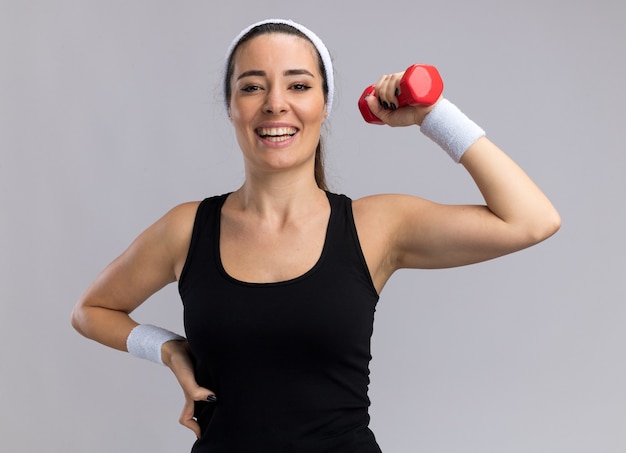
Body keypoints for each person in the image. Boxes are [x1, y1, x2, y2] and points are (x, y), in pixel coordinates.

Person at [71, 18, 561, 453]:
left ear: (325, 104)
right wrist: (168, 348)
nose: (275, 104)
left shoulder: (376, 226)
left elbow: (531, 220)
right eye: (252, 87)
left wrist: (433, 116)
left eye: (299, 85)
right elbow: (90, 311)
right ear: (231, 107)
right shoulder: (187, 228)